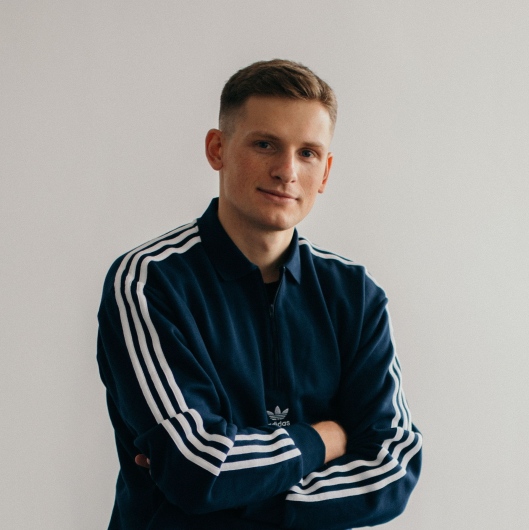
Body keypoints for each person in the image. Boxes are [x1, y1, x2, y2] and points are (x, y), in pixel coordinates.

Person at [97, 59, 422, 530]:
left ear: (325, 172)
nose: (287, 171)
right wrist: (323, 440)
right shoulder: (149, 281)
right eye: (265, 144)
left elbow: (392, 469)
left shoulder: (355, 294)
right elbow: (198, 470)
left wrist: (228, 494)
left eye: (308, 153)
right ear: (218, 149)